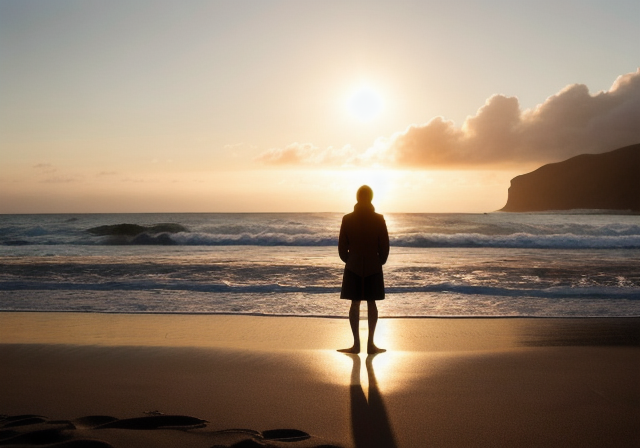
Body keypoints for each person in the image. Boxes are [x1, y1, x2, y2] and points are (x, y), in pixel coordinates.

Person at [338, 185, 390, 354]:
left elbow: (341, 248)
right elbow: (385, 247)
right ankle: (370, 344)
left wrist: (351, 259)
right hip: (373, 266)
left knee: (355, 303)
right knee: (371, 302)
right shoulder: (379, 218)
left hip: (353, 266)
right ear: (371, 198)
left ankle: (356, 344)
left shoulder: (347, 219)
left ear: (357, 197)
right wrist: (378, 261)